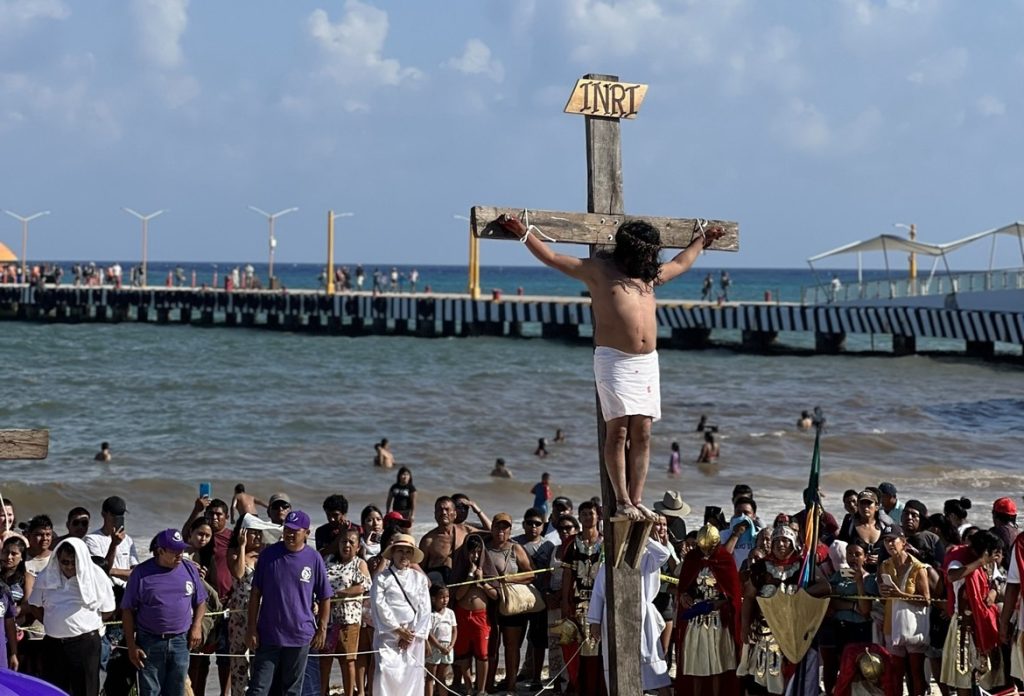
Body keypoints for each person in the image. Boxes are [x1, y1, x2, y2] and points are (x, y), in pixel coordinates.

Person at [497, 213, 724, 521]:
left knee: (643, 433)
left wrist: (702, 241)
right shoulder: (600, 271)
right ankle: (622, 500)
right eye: (646, 253)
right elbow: (552, 258)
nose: (651, 258)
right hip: (614, 360)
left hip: (647, 362)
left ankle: (637, 498)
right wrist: (523, 232)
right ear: (630, 250)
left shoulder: (648, 276)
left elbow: (682, 263)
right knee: (618, 432)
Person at [245, 510, 332, 696]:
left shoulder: (314, 558)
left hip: (300, 635)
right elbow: (255, 594)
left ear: (306, 533)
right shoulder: (268, 555)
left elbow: (325, 596)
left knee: (292, 690)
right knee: (258, 688)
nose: (289, 534)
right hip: (269, 634)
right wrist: (251, 627)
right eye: (287, 529)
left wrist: (322, 629)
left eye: (295, 530)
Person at [122, 529, 208, 696]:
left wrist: (197, 626)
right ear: (160, 551)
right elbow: (127, 610)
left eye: (181, 550)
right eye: (174, 551)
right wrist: (131, 646)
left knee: (177, 690)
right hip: (150, 641)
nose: (180, 554)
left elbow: (201, 601)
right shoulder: (141, 573)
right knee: (150, 691)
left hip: (181, 641)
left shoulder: (189, 569)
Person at [28, 537, 115, 696]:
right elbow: (34, 605)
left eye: (74, 563)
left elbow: (108, 610)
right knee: (54, 690)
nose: (69, 566)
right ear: (58, 559)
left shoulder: (97, 576)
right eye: (65, 562)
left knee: (85, 690)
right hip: (54, 644)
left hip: (85, 644)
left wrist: (84, 623)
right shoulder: (46, 576)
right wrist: (54, 623)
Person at [588, 536, 671, 694]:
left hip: (642, 617)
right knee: (619, 668)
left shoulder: (646, 558)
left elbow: (664, 554)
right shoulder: (609, 563)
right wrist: (595, 622)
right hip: (614, 619)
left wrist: (644, 536)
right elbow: (599, 594)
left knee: (653, 665)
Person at [674, 524, 742, 696]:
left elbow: (732, 594)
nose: (705, 552)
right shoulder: (692, 559)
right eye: (703, 548)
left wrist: (718, 603)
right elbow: (684, 587)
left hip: (717, 621)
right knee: (695, 664)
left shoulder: (725, 559)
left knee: (717, 664)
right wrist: (684, 596)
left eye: (709, 548)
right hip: (695, 621)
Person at [371, 534, 431, 696]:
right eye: (400, 551)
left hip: (412, 637)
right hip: (388, 635)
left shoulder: (420, 579)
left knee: (412, 676)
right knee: (384, 672)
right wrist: (398, 630)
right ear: (393, 553)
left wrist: (410, 634)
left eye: (408, 551)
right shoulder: (381, 578)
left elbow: (424, 609)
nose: (404, 555)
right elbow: (379, 605)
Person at [944, 530, 1003, 694]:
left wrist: (994, 591)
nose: (997, 557)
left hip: (983, 624)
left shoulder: (990, 565)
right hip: (964, 626)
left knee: (984, 674)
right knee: (963, 675)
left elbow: (997, 580)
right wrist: (979, 562)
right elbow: (952, 576)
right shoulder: (959, 560)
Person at [877, 523, 931, 696]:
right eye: (886, 541)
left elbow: (926, 600)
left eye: (892, 540)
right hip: (891, 624)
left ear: (903, 542)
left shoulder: (918, 567)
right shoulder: (885, 565)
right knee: (895, 672)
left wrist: (900, 594)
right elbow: (883, 597)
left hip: (913, 626)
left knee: (916, 671)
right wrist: (883, 592)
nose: (889, 544)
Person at [561, 500, 605, 695]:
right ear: (579, 517)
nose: (588, 517)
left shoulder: (606, 543)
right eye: (584, 514)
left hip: (601, 602)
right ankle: (582, 687)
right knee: (581, 646)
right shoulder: (573, 544)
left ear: (598, 516)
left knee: (598, 645)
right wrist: (564, 600)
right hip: (579, 602)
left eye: (591, 513)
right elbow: (567, 574)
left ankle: (597, 687)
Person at [321, 528, 369, 696]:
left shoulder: (359, 563)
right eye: (343, 541)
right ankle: (322, 692)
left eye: (351, 542)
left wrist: (339, 594)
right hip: (328, 618)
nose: (347, 545)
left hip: (349, 619)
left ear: (357, 547)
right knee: (325, 659)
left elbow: (363, 587)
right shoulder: (328, 560)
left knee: (348, 660)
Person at [513, 508, 555, 691]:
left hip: (540, 600)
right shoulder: (514, 543)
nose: (533, 527)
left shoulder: (549, 546)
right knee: (515, 641)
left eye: (537, 523)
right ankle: (510, 678)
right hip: (518, 599)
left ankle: (537, 678)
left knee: (538, 641)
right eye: (529, 523)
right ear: (523, 524)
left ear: (543, 526)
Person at [451, 534, 498, 696]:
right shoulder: (460, 569)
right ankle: (469, 688)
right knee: (463, 654)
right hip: (462, 615)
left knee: (482, 654)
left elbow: (495, 595)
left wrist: (482, 581)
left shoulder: (487, 569)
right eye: (472, 552)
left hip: (481, 616)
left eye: (478, 552)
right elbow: (457, 596)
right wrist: (470, 577)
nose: (475, 556)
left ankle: (482, 690)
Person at [85, 495, 139, 586]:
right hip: (106, 590)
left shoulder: (128, 540)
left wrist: (112, 571)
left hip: (126, 590)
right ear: (103, 514)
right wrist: (114, 544)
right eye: (113, 515)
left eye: (120, 515)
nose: (116, 519)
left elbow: (136, 573)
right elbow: (99, 572)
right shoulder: (91, 539)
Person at [419, 497, 468, 585]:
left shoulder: (465, 533)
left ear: (455, 514)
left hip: (460, 582)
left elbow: (491, 531)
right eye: (440, 510)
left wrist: (477, 510)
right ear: (435, 514)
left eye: (447, 509)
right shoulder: (428, 540)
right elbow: (420, 569)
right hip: (437, 584)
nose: (444, 513)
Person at [425, 584, 457, 696]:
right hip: (435, 647)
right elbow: (429, 633)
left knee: (442, 677)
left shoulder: (450, 613)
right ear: (433, 598)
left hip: (447, 648)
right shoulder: (430, 614)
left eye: (447, 597)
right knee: (430, 677)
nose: (445, 600)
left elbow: (454, 630)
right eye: (442, 597)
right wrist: (439, 647)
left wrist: (451, 646)